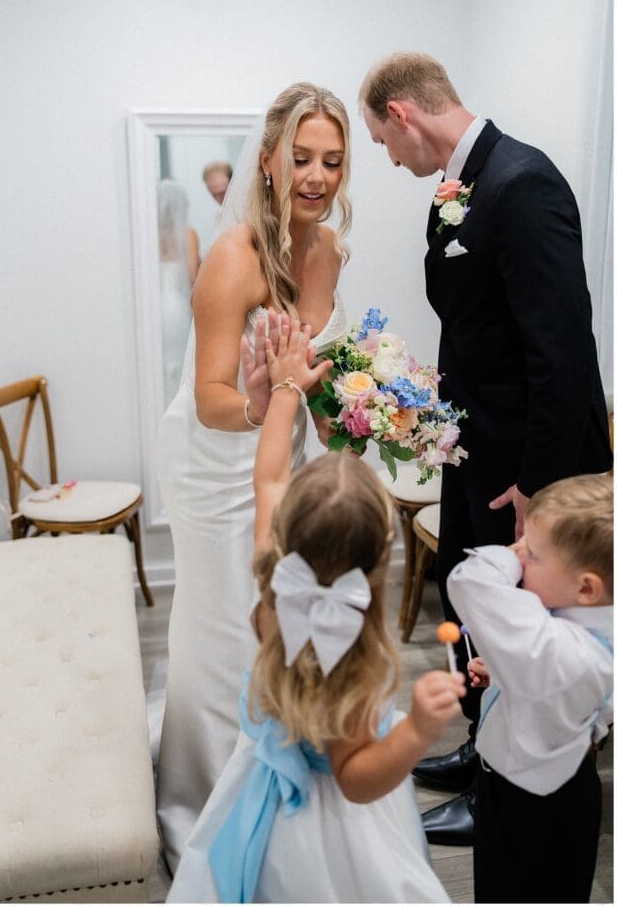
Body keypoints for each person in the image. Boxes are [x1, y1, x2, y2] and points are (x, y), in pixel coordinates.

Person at [358, 51, 612, 843]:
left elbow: (562, 350)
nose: (387, 159)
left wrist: (540, 485)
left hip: (529, 466)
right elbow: (476, 320)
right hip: (475, 443)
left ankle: (513, 789)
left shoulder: (521, 182)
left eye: (379, 141)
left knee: (525, 626)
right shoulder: (454, 190)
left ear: (403, 114)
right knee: (469, 606)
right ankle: (479, 751)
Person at [166, 318, 464, 903]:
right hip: (331, 834)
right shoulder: (350, 662)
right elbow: (356, 782)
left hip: (260, 794)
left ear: (285, 539)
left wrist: (285, 388)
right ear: (377, 568)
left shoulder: (274, 594)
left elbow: (269, 477)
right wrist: (415, 733)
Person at [156, 83, 351, 871]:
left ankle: (278, 772)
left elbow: (315, 368)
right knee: (227, 619)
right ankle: (204, 790)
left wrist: (351, 411)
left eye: (332, 161)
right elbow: (209, 398)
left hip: (284, 448)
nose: (315, 175)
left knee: (281, 611)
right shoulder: (231, 258)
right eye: (300, 157)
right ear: (267, 160)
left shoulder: (329, 250)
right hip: (216, 457)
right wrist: (266, 403)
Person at [447, 473, 613, 903]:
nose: (521, 559)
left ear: (586, 587)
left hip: (537, 807)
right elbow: (547, 681)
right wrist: (508, 673)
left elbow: (468, 581)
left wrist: (507, 555)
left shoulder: (567, 652)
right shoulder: (575, 633)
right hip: (524, 780)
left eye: (533, 555)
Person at [157, 179, 201, 402]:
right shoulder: (188, 234)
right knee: (179, 360)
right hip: (177, 306)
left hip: (157, 306)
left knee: (162, 362)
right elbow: (193, 275)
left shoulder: (150, 236)